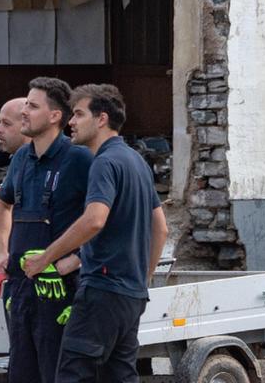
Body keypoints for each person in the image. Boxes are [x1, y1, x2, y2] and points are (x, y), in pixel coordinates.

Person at [22, 84, 167, 383]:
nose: (71, 123)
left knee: (73, 375)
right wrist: (143, 278)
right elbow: (161, 227)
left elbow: (94, 221)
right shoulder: (136, 161)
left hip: (102, 291)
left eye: (77, 114)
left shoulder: (104, 162)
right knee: (119, 376)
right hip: (131, 296)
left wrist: (45, 258)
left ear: (101, 119)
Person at [0, 78, 92, 383]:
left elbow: (105, 219)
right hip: (21, 291)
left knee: (58, 375)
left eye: (33, 106)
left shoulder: (79, 158)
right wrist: (0, 252)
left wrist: (75, 260)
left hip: (61, 292)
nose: (25, 112)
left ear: (55, 116)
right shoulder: (21, 157)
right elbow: (1, 204)